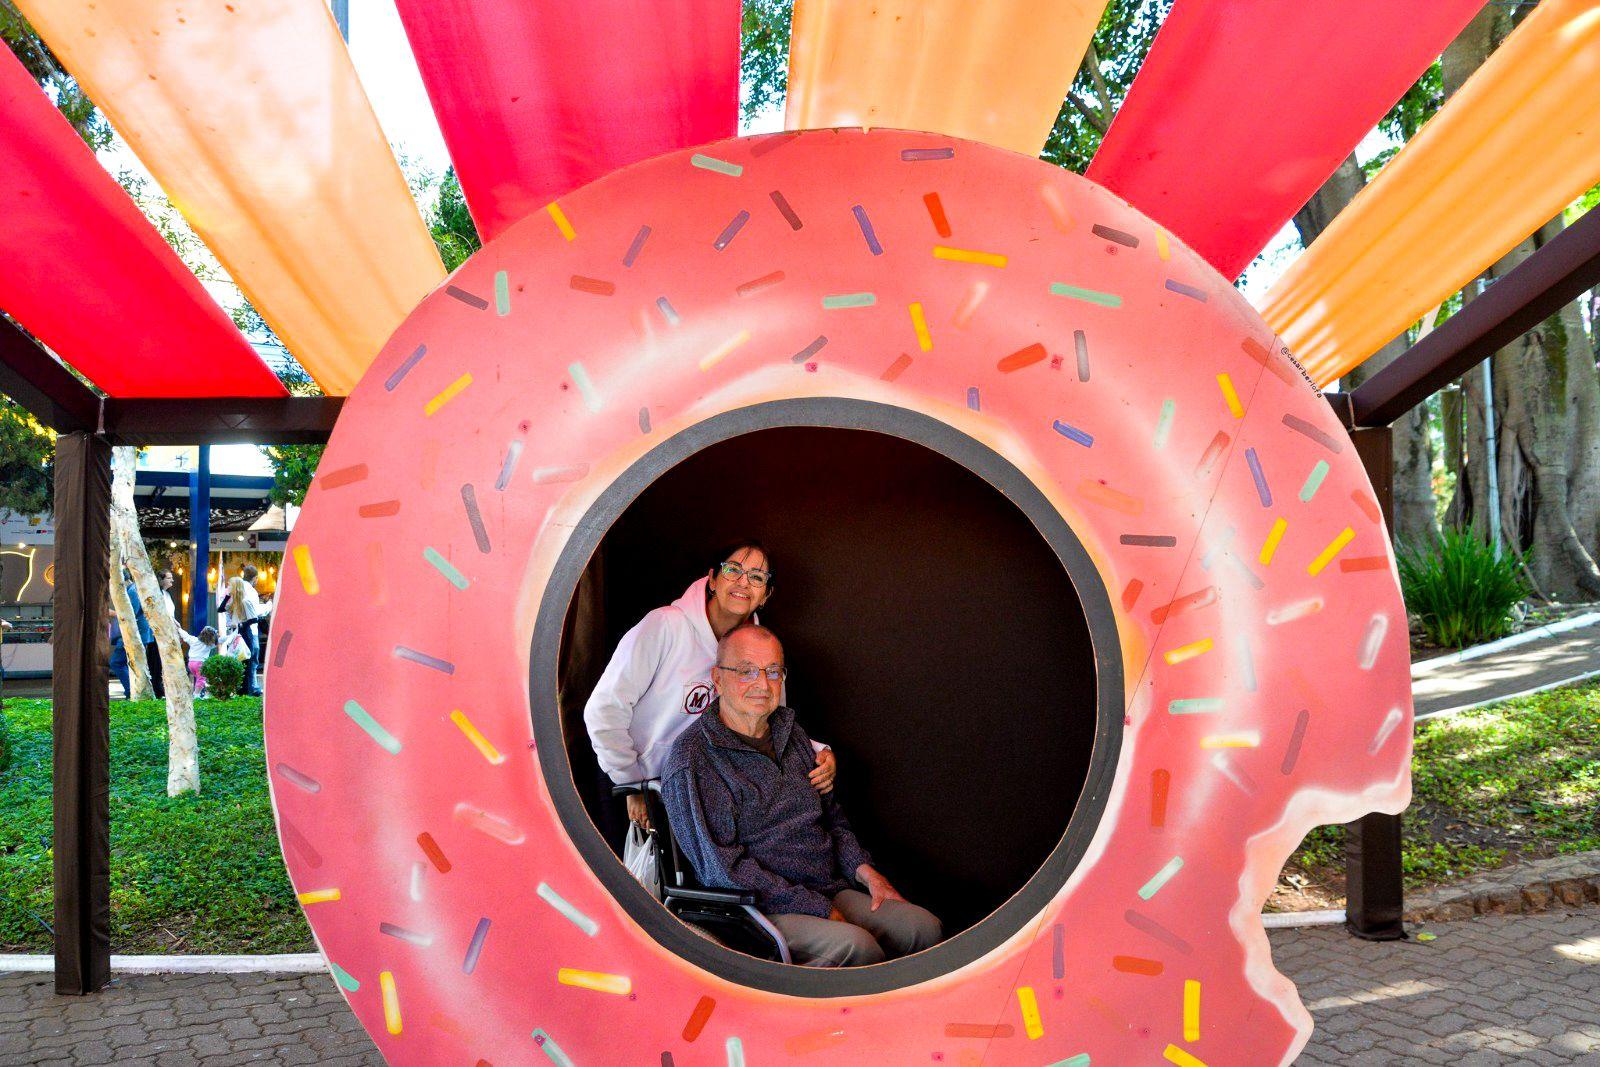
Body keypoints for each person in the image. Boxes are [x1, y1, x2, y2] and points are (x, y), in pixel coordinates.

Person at [662, 626, 942, 967]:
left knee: (923, 929)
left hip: (827, 884)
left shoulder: (790, 732)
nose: (763, 685)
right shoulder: (693, 760)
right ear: (718, 679)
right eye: (747, 670)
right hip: (761, 908)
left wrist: (866, 872)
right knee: (857, 948)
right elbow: (723, 871)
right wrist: (819, 909)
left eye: (773, 671)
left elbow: (832, 819)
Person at [582, 541, 836, 849]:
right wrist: (631, 783)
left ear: (766, 595)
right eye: (733, 570)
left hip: (702, 796)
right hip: (632, 783)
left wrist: (818, 753)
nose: (744, 582)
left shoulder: (760, 650)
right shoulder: (665, 626)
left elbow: (768, 724)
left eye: (757, 577)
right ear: (713, 579)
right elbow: (604, 710)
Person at [227, 566, 267, 697]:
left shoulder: (235, 590)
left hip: (237, 630)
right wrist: (269, 605)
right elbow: (255, 614)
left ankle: (243, 687)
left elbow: (225, 607)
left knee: (240, 659)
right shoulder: (251, 592)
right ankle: (252, 687)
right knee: (251, 659)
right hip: (250, 630)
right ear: (255, 578)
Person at [179, 625, 219, 696]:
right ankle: (196, 694)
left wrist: (179, 628)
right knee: (201, 679)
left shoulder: (194, 640)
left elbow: (185, 635)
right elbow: (222, 639)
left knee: (200, 678)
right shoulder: (209, 645)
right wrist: (234, 634)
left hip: (191, 664)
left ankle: (204, 692)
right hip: (200, 664)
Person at [108, 608, 131, 700]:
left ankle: (130, 691)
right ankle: (131, 691)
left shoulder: (132, 593)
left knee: (116, 663)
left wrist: (113, 613)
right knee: (121, 663)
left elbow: (129, 615)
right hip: (125, 636)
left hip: (126, 635)